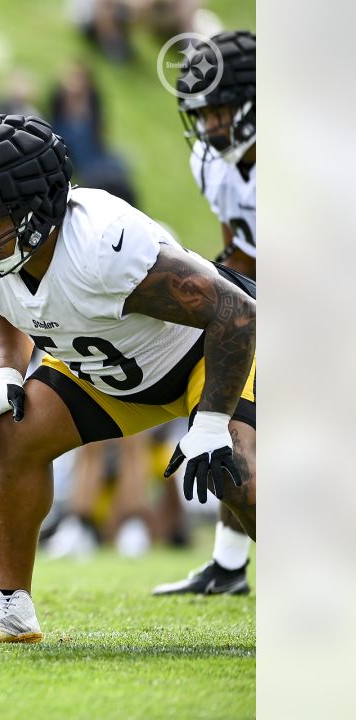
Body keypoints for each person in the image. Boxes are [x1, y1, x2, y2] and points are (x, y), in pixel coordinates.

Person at [0, 114, 256, 644]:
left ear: (39, 208)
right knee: (15, 432)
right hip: (108, 374)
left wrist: (214, 420)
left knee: (238, 475)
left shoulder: (102, 243)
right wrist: (8, 373)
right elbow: (1, 305)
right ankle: (11, 609)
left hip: (201, 357)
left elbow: (236, 312)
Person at [153, 30, 256, 596]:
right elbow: (239, 241)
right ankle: (228, 563)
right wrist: (230, 289)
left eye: (223, 111)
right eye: (204, 113)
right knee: (226, 413)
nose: (212, 127)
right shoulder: (212, 163)